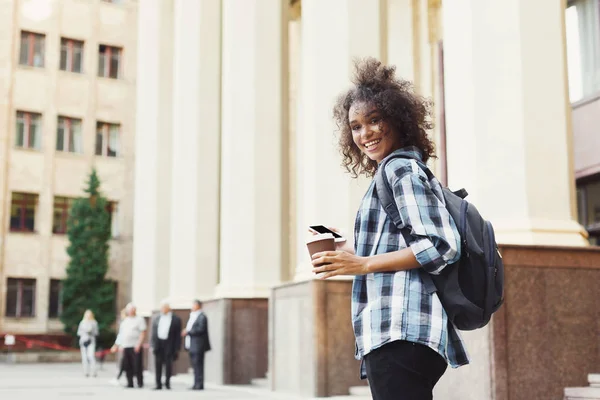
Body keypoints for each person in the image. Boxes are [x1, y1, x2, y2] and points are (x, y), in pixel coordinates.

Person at [310, 58, 469, 400]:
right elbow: (399, 245)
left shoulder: (400, 172)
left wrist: (363, 264)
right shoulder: (392, 173)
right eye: (355, 126)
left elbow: (443, 245)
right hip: (397, 331)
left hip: (402, 330)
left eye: (374, 120)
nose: (364, 133)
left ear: (397, 120)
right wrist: (345, 252)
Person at [111, 303, 146, 388]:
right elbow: (121, 335)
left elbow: (143, 332)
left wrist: (139, 343)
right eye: (129, 310)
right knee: (127, 365)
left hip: (135, 346)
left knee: (137, 365)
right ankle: (130, 383)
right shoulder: (125, 321)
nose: (130, 311)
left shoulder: (139, 319)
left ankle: (139, 382)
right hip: (126, 346)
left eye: (132, 309)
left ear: (135, 310)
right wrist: (116, 345)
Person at [150, 300, 182, 390]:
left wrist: (177, 348)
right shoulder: (157, 318)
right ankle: (158, 384)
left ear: (168, 308)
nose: (162, 309)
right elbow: (153, 333)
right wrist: (152, 344)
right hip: (158, 343)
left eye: (164, 308)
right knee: (158, 364)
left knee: (168, 365)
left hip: (169, 344)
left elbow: (178, 336)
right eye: (161, 308)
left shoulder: (176, 319)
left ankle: (167, 383)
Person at [182, 299, 211, 390]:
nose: (192, 307)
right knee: (194, 365)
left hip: (198, 345)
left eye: (194, 305)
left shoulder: (202, 317)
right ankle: (196, 383)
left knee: (198, 365)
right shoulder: (193, 316)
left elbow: (200, 329)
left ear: (198, 306)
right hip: (192, 345)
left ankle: (199, 384)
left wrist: (188, 332)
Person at [77, 309, 99, 377]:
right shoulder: (82, 322)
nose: (88, 316)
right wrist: (84, 332)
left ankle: (94, 371)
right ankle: (86, 372)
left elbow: (96, 333)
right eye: (87, 314)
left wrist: (90, 332)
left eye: (89, 315)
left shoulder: (94, 322)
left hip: (91, 341)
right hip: (83, 341)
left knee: (91, 356)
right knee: (84, 357)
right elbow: (79, 332)